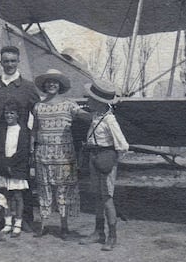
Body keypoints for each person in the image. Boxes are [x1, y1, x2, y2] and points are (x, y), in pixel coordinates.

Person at [0, 45, 40, 232]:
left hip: (18, 142)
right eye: (6, 61)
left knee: (20, 181)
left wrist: (34, 138)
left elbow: (39, 113)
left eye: (13, 61)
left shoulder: (28, 87)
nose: (9, 64)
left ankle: (25, 219)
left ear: (18, 61)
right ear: (1, 62)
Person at [32, 69, 89, 239]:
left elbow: (84, 116)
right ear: (44, 85)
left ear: (60, 85)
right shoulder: (38, 106)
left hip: (64, 155)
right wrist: (31, 149)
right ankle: (43, 225)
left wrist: (98, 111)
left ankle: (64, 227)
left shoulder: (69, 104)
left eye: (55, 82)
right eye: (48, 82)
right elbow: (34, 129)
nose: (51, 84)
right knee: (44, 189)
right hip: (43, 153)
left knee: (63, 190)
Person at [79, 78, 129, 251]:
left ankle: (112, 236)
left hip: (105, 160)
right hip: (94, 157)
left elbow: (122, 145)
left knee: (107, 198)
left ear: (100, 102)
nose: (88, 101)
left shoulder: (110, 120)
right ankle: (98, 232)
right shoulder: (96, 116)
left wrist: (111, 162)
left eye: (90, 99)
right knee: (97, 196)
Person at [0, 99, 30, 238]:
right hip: (4, 166)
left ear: (17, 115)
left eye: (12, 113)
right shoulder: (1, 130)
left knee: (17, 195)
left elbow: (23, 150)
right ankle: (7, 222)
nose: (9, 115)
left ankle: (18, 224)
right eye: (6, 113)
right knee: (6, 195)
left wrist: (11, 164)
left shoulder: (22, 130)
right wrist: (4, 164)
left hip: (17, 166)